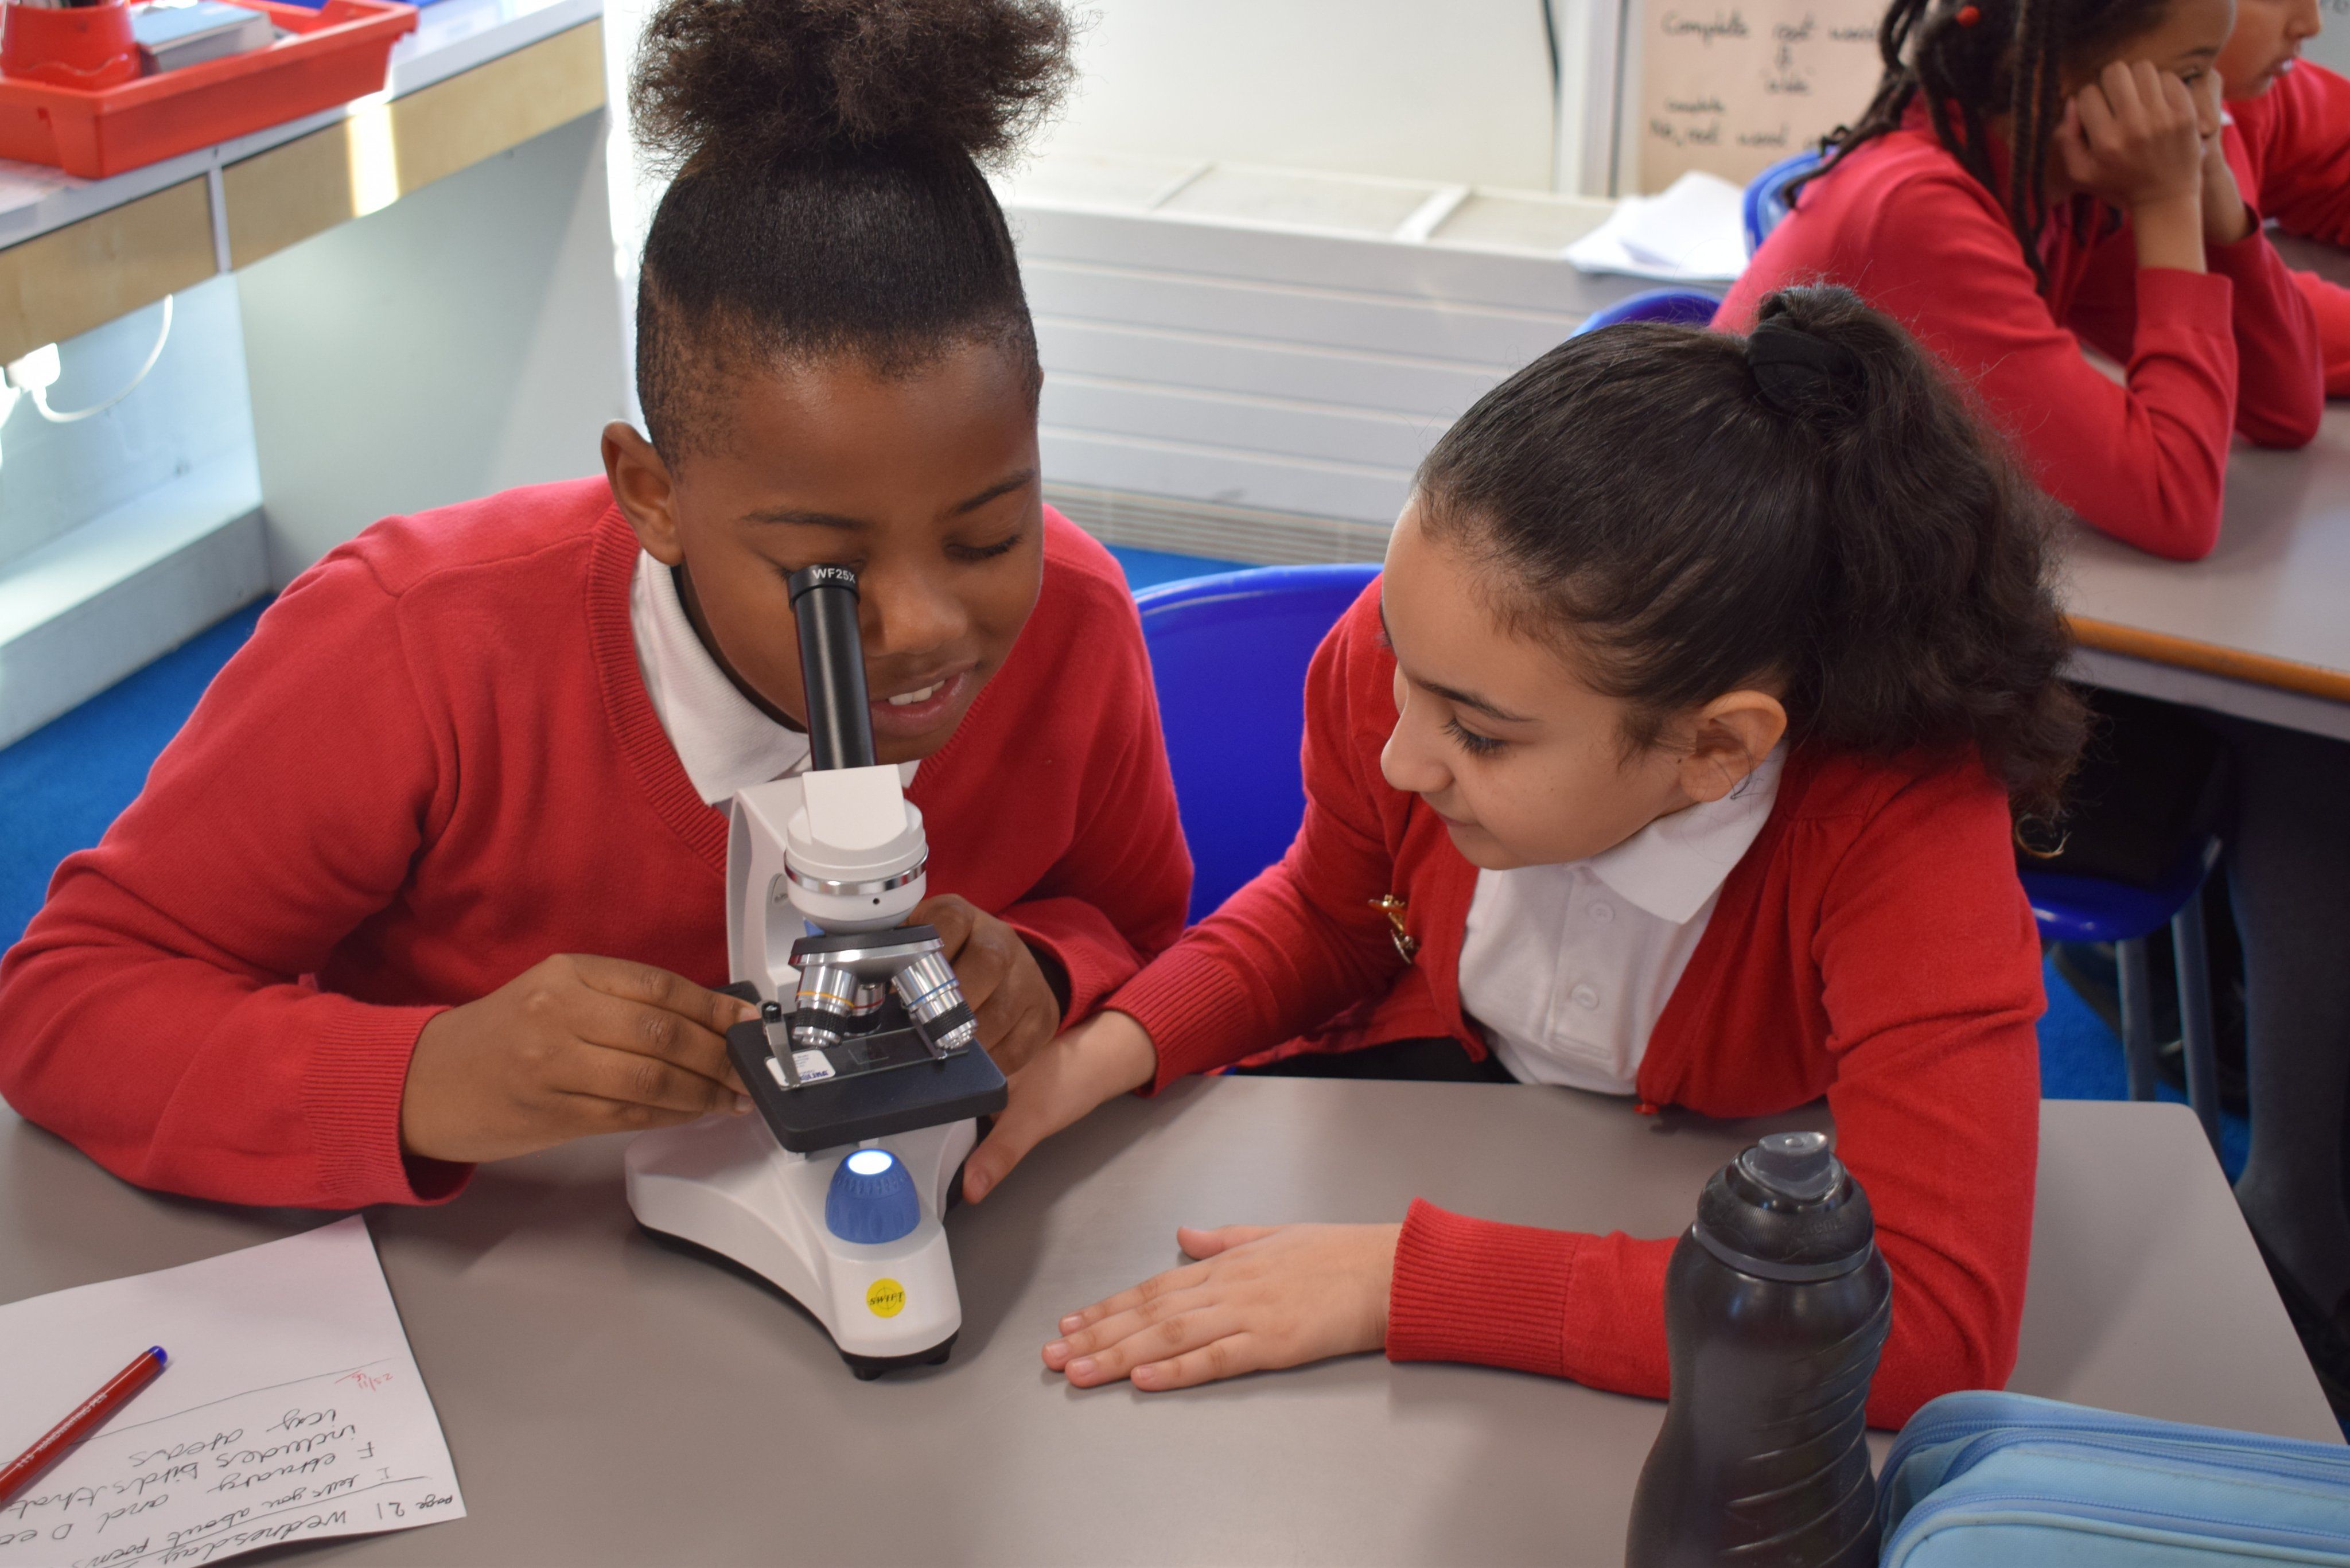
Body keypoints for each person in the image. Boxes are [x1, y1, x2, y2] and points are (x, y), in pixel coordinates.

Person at [0, 0, 1190, 1210]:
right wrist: (425, 1074)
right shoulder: (412, 642)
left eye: (988, 533)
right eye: (824, 570)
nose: (931, 623)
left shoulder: (1079, 618)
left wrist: (1043, 967)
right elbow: (67, 997)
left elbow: (1140, 928)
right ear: (652, 493)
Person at [960, 286, 2087, 1427]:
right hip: (1442, 1111)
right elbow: (1330, 910)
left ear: (1712, 747)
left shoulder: (1901, 826)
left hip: (1721, 1187)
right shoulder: (1394, 657)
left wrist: (1406, 1282)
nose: (1400, 755)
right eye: (1401, 667)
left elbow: (1926, 1319)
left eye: (1478, 734)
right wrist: (1095, 1056)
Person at [1721, 0, 2325, 562]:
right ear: (2054, 73)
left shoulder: (2057, 184)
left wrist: (2216, 200)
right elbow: (2175, 502)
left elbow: (2285, 407)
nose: (2205, 115)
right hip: (1738, 609)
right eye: (2190, 76)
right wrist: (2169, 199)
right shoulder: (1921, 209)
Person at [2215, 0, 2350, 394]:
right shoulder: (2124, 146)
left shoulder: (2235, 85)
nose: (2313, 25)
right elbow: (2266, 329)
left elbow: (2337, 155)